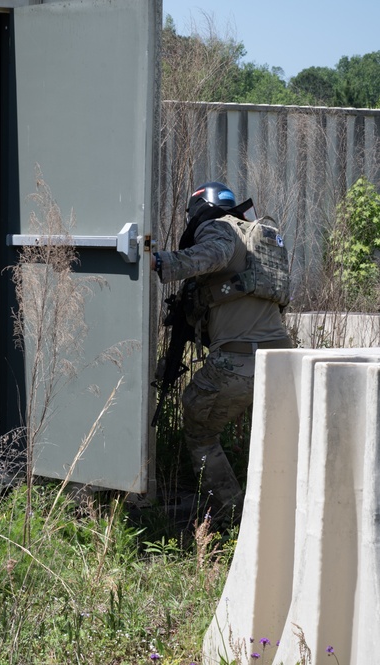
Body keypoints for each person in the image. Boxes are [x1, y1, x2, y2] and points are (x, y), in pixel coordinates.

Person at [151, 181, 292, 524]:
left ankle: (230, 511)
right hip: (284, 363)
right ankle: (281, 510)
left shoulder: (220, 228)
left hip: (237, 364)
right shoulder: (258, 237)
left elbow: (213, 253)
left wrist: (157, 262)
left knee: (199, 429)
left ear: (200, 207)